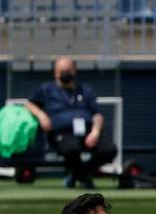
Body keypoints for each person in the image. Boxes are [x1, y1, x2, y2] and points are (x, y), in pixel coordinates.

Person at [25, 57, 117, 190]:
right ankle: (84, 178)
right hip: (63, 134)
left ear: (74, 71)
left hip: (87, 133)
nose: (65, 74)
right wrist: (42, 116)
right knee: (71, 149)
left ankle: (77, 174)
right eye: (61, 71)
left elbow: (97, 114)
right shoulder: (47, 89)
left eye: (67, 70)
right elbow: (29, 104)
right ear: (56, 73)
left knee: (109, 150)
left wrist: (95, 132)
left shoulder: (85, 89)